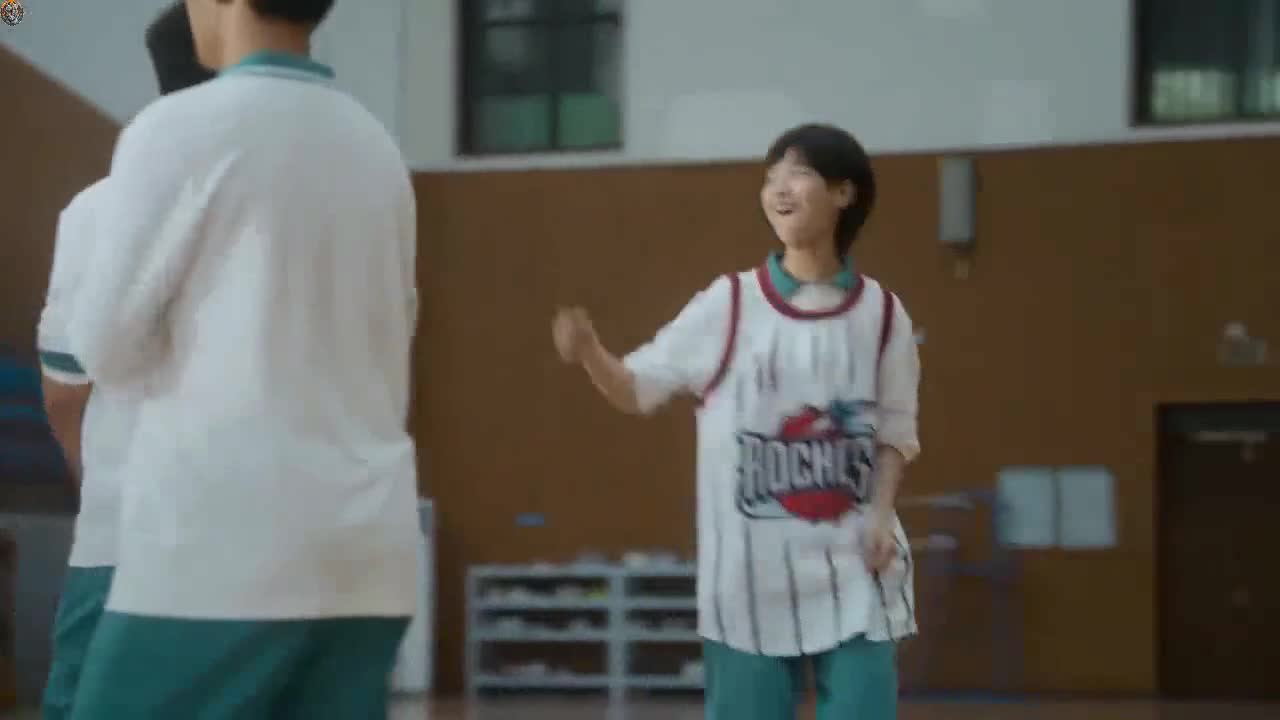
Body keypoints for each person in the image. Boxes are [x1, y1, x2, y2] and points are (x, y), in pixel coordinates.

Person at [63, 0, 420, 717]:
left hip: (221, 544)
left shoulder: (177, 129)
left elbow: (103, 347)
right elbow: (399, 327)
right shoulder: (375, 144)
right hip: (367, 553)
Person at [552, 123, 921, 720]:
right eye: (770, 178)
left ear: (843, 192)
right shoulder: (728, 304)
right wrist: (592, 353)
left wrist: (880, 512)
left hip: (858, 569)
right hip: (748, 582)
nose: (779, 188)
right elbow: (636, 389)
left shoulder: (882, 314)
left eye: (798, 173)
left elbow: (896, 435)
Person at [36, 5, 215, 717]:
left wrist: (105, 482)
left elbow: (64, 392)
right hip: (266, 542)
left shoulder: (95, 210)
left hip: (124, 531)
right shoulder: (307, 196)